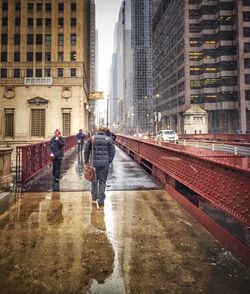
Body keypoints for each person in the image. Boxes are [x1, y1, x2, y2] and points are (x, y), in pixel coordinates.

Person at [84, 127, 116, 207]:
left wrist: (86, 161)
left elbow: (86, 150)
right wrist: (109, 161)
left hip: (94, 164)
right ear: (106, 132)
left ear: (99, 131)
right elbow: (113, 152)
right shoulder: (109, 139)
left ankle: (94, 197)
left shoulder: (92, 138)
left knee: (94, 180)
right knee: (102, 181)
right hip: (104, 164)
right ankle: (101, 200)